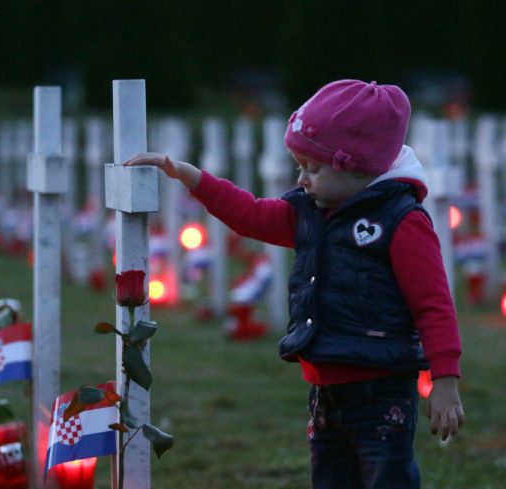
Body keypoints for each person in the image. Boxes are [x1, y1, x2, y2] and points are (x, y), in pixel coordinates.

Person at [125, 79, 464, 489]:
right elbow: (250, 215)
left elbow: (433, 304)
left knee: (386, 480)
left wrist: (445, 380)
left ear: (355, 165)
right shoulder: (308, 213)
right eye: (299, 166)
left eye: (313, 168)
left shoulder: (401, 222)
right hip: (324, 387)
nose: (301, 179)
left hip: (382, 388)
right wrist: (193, 177)